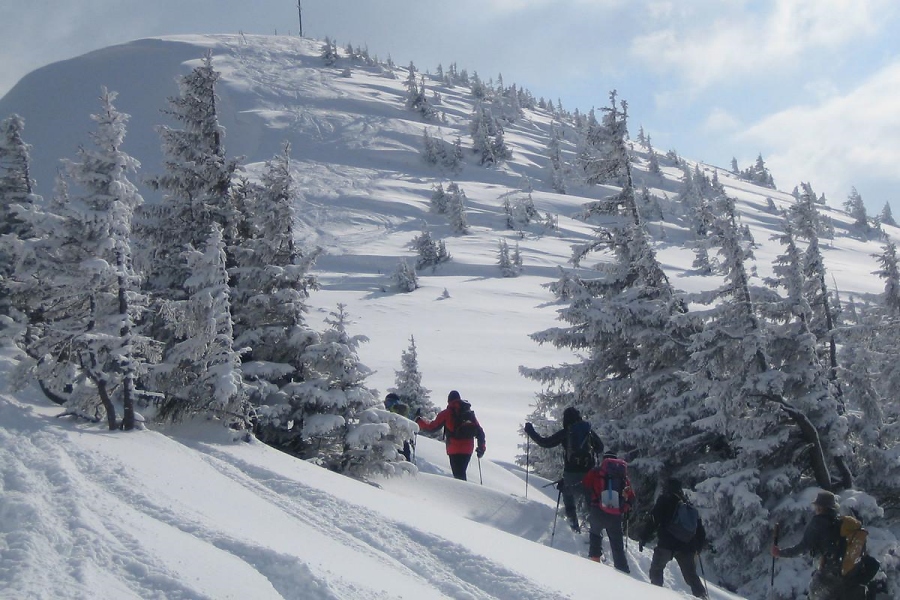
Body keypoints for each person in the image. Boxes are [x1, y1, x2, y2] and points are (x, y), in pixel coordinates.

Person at [771, 490, 867, 600]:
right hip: (849, 576)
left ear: (820, 508)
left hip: (829, 575)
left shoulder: (818, 522)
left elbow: (803, 547)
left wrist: (780, 552)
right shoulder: (841, 524)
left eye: (816, 506)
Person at [524, 406, 603, 533]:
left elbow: (545, 443)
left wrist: (530, 431)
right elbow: (600, 448)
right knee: (592, 505)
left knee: (569, 498)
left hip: (571, 474)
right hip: (589, 474)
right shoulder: (588, 431)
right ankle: (596, 534)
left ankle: (574, 528)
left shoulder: (567, 432)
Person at [640, 477, 707, 598]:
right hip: (687, 546)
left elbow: (654, 520)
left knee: (656, 569)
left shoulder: (664, 500)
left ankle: (656, 594)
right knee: (691, 575)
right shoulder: (687, 503)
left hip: (667, 543)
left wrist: (644, 537)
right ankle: (702, 596)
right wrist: (698, 547)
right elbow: (699, 529)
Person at [582, 451, 635, 572]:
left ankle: (595, 564)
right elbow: (631, 496)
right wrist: (624, 507)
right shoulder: (622, 476)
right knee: (617, 545)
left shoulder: (596, 471)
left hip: (597, 510)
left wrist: (590, 502)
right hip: (615, 514)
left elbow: (585, 485)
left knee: (595, 535)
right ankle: (622, 571)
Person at [416, 390, 485, 481]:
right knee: (461, 473)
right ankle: (463, 492)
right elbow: (480, 432)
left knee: (458, 476)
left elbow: (432, 428)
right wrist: (481, 448)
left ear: (449, 401)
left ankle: (463, 493)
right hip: (468, 448)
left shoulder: (447, 413)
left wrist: (419, 421)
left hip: (454, 448)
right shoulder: (469, 414)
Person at [384, 392, 412, 461]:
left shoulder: (400, 410)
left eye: (391, 402)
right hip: (392, 439)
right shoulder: (384, 412)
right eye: (387, 402)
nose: (388, 405)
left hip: (399, 439)